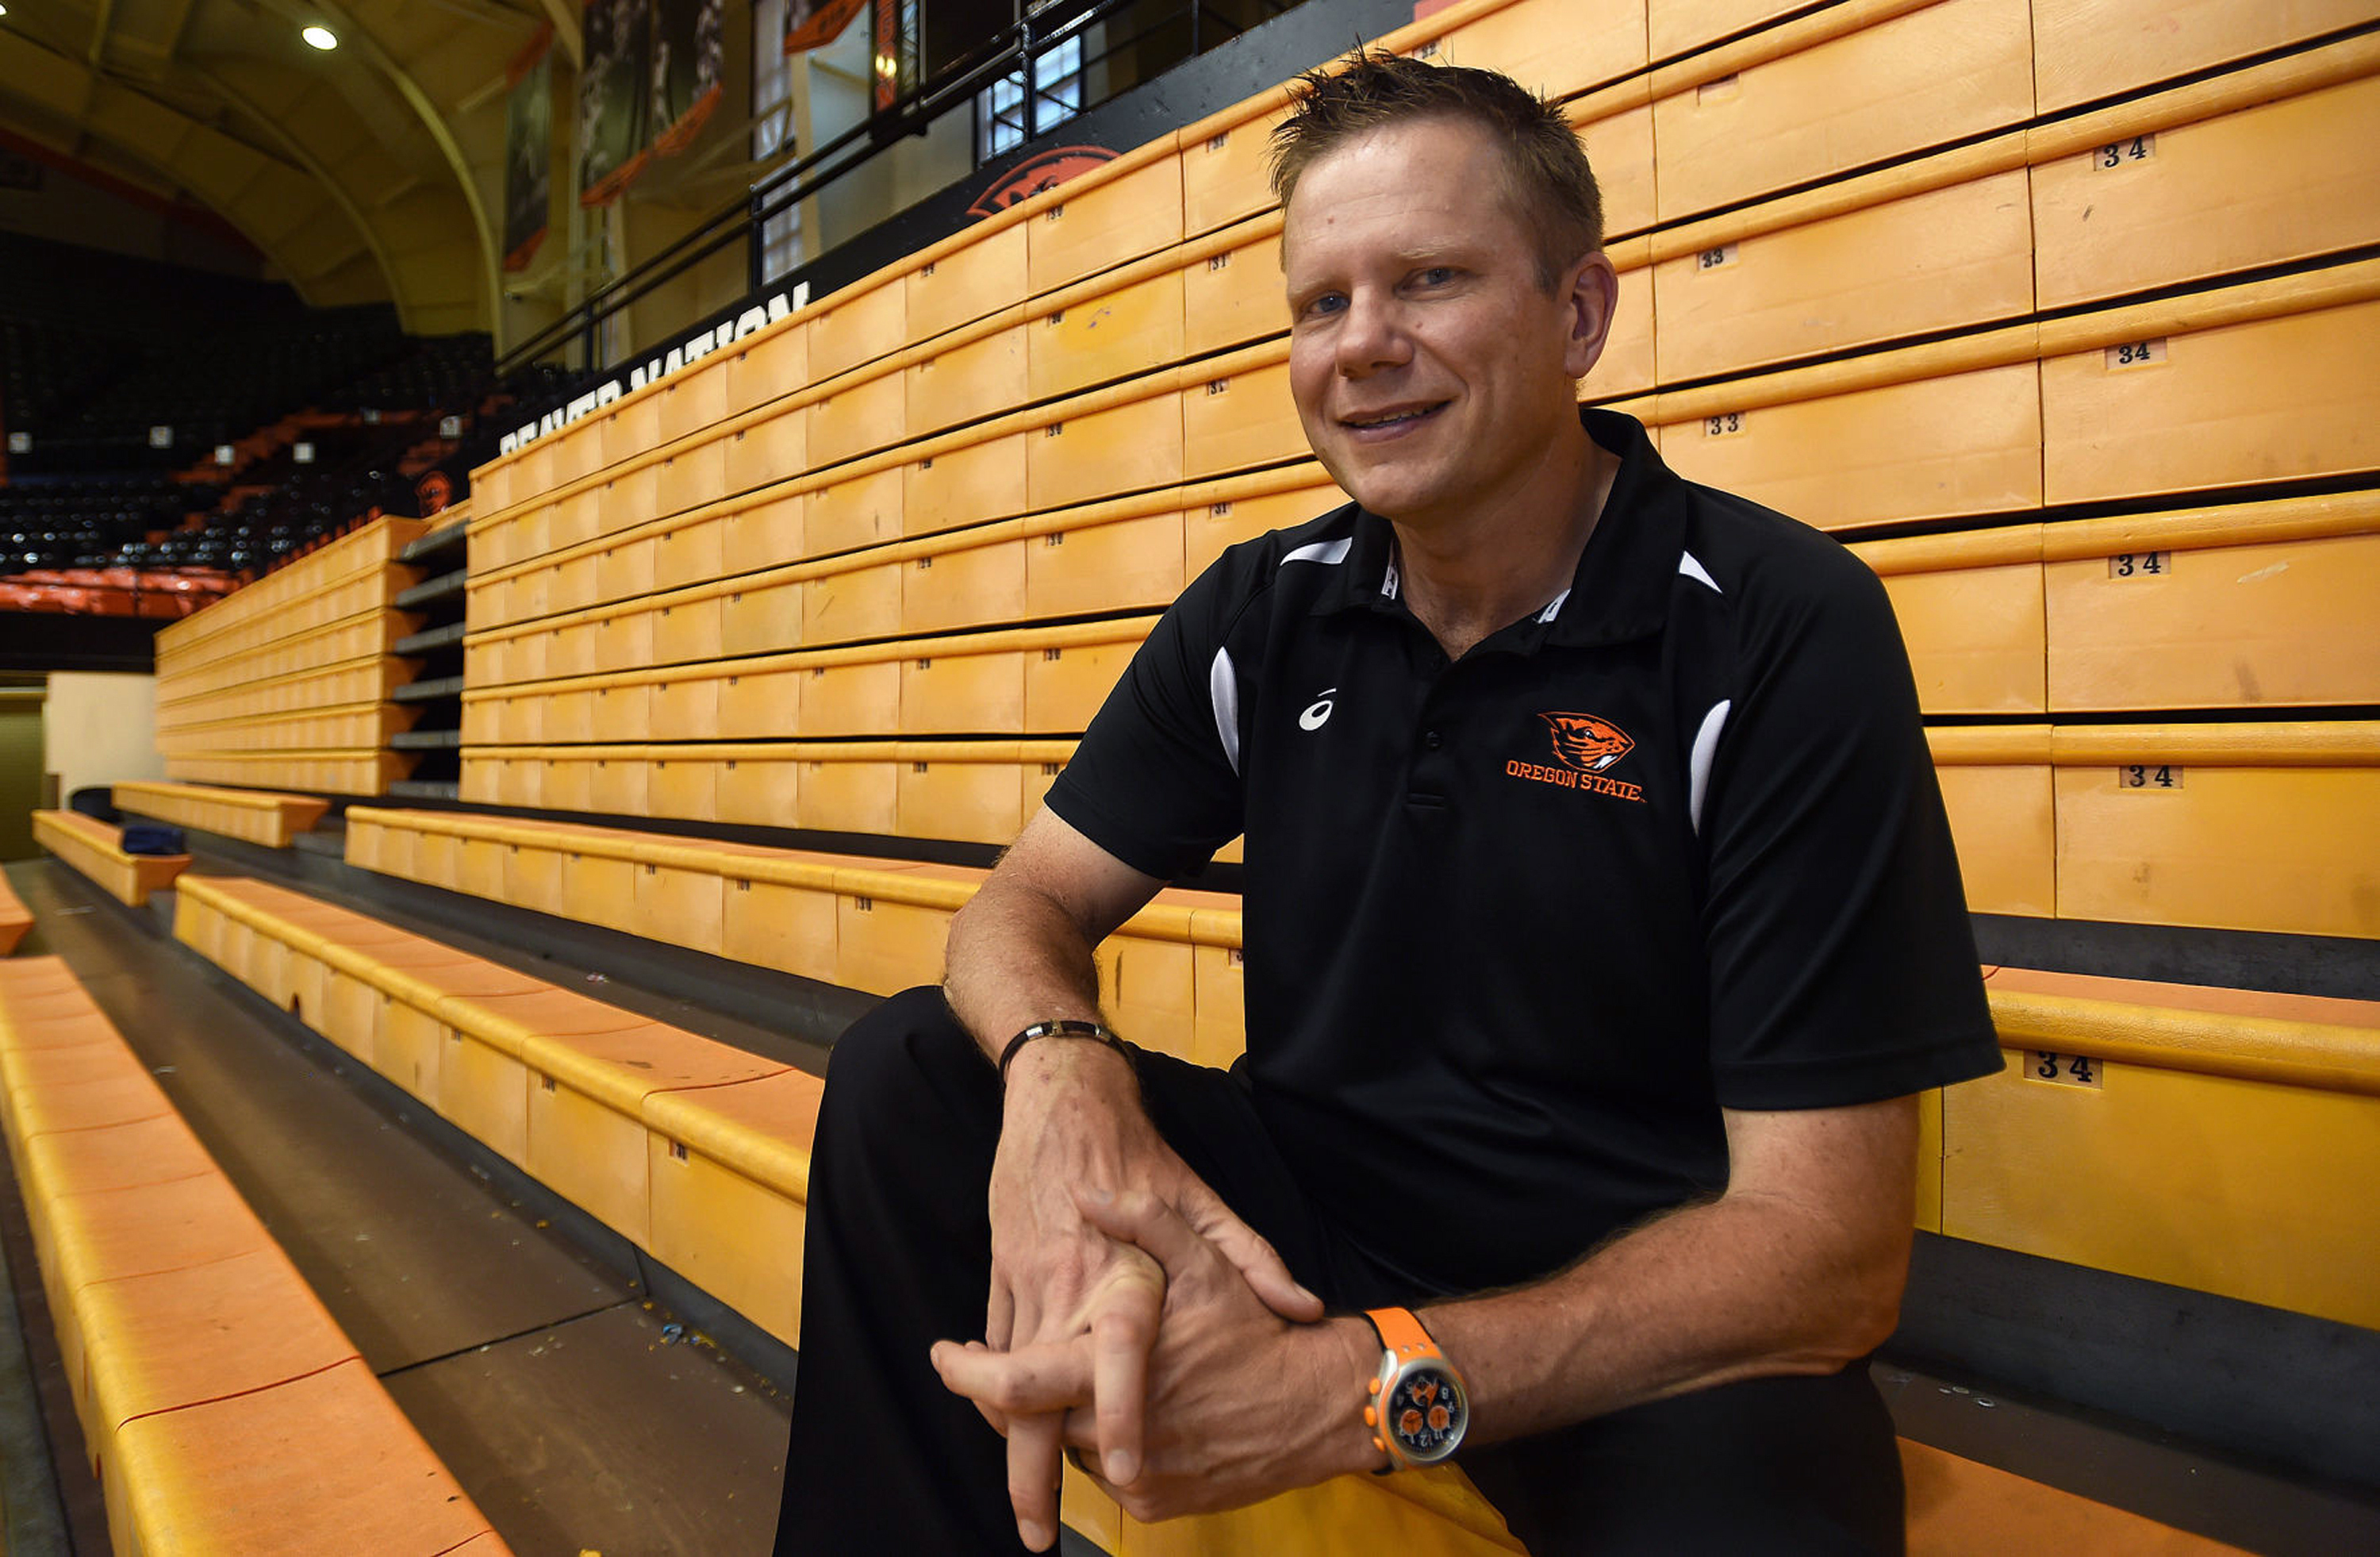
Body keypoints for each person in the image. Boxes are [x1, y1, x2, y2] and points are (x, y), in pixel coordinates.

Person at [775, 48, 2002, 1556]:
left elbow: (1830, 1256)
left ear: (1580, 313)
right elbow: (1019, 906)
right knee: (910, 1074)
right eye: (1319, 301)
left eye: (1427, 280)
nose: (1362, 346)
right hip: (1310, 1214)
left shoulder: (1776, 624)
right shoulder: (1263, 608)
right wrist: (1056, 1070)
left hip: (1637, 1283)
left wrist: (1363, 1384)